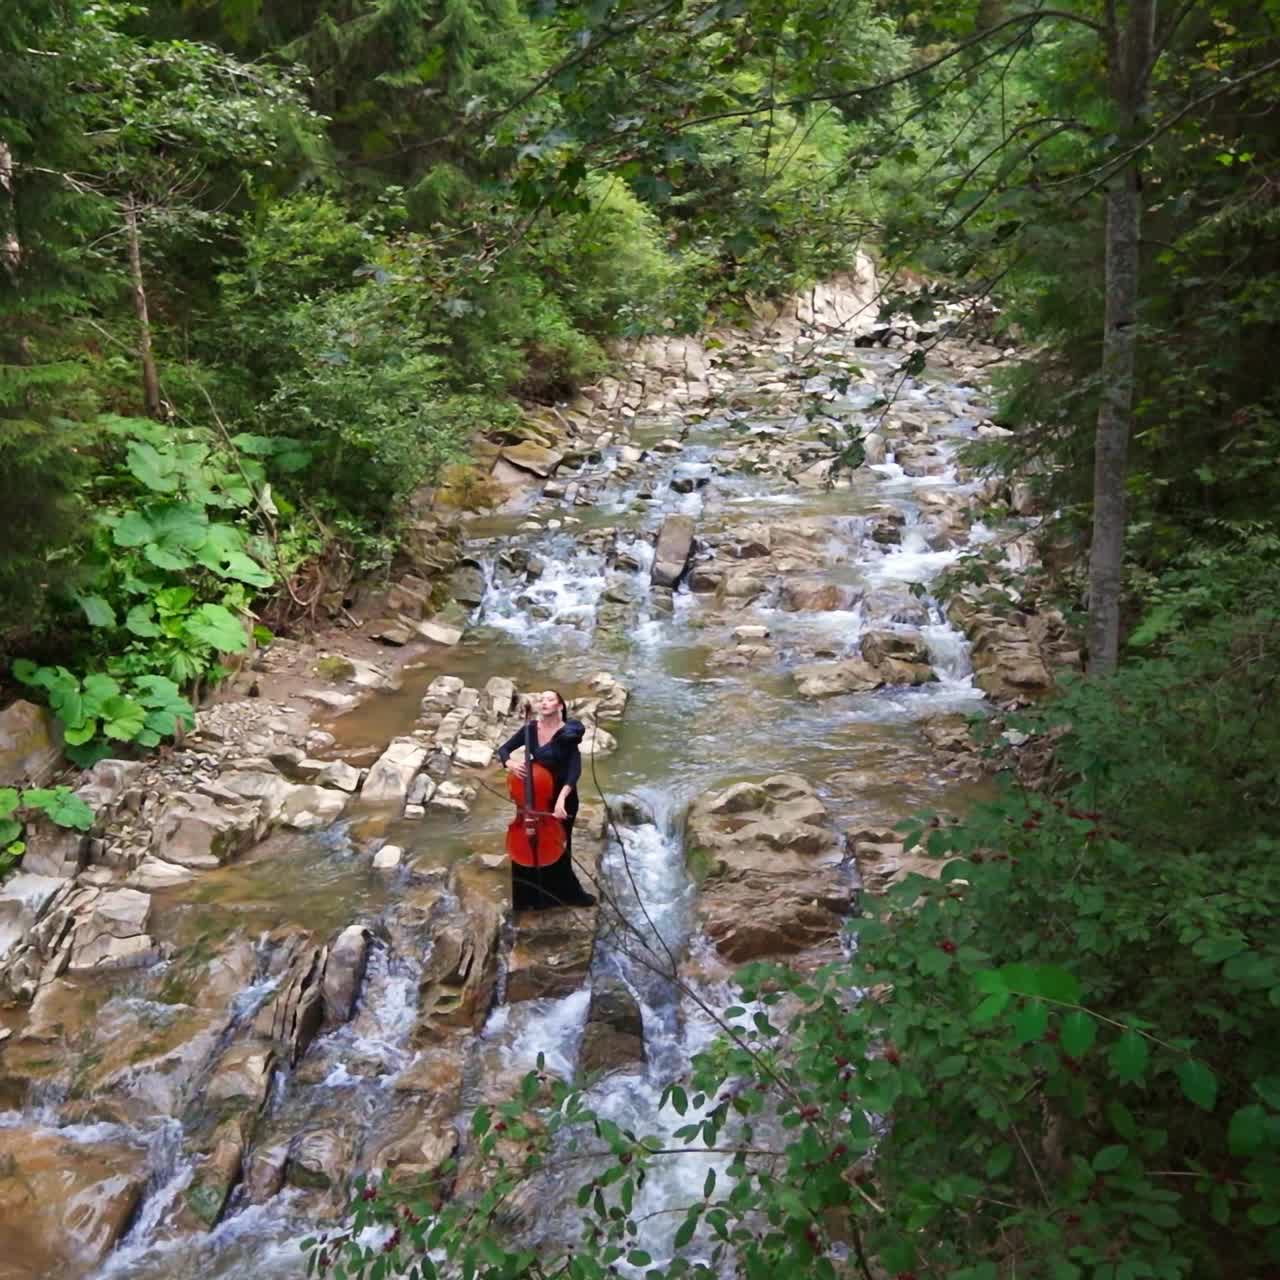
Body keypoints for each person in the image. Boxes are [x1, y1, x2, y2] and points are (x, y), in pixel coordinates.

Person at [497, 689, 598, 911]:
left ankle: (567, 895)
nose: (544, 702)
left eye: (550, 699)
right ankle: (528, 899)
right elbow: (503, 749)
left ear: (560, 706)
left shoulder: (568, 733)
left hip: (562, 797)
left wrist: (562, 799)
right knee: (524, 845)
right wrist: (510, 763)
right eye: (541, 699)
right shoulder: (530, 730)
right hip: (534, 797)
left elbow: (574, 770)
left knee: (560, 848)